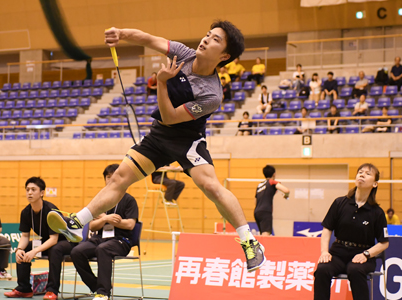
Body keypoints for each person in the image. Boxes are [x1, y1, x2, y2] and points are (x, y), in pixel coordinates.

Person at [47, 21, 266, 273]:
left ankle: (250, 242)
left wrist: (162, 82)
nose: (206, 39)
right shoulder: (184, 54)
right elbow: (148, 38)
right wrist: (122, 33)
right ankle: (78, 222)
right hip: (159, 136)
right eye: (207, 34)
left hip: (187, 140)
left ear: (225, 56)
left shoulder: (212, 94)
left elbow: (172, 116)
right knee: (119, 177)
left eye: (215, 39)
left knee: (211, 187)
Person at [313, 163, 389, 300]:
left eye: (368, 174)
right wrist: (324, 251)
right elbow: (327, 229)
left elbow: (384, 243)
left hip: (362, 255)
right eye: (360, 172)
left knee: (355, 270)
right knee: (322, 269)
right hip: (338, 253)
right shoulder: (340, 203)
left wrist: (366, 254)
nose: (362, 174)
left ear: (375, 184)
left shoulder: (377, 212)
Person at [70, 164, 138, 300]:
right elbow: (93, 227)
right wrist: (107, 218)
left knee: (103, 249)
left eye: (114, 176)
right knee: (76, 252)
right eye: (108, 177)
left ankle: (103, 292)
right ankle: (96, 286)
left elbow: (130, 224)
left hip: (120, 240)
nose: (110, 179)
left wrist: (111, 221)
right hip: (99, 238)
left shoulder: (129, 200)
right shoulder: (100, 200)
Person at [4, 177, 65, 299]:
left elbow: (54, 239)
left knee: (54, 250)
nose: (29, 192)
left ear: (42, 193)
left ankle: (52, 290)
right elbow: (25, 236)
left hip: (64, 241)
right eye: (27, 190)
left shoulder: (51, 210)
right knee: (23, 251)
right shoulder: (26, 212)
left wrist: (35, 251)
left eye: (33, 189)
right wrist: (19, 249)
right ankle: (24, 288)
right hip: (47, 241)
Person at [254, 165, 290, 236]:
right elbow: (286, 190)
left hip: (257, 212)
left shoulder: (260, 185)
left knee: (262, 234)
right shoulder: (271, 182)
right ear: (274, 174)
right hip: (265, 212)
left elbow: (255, 201)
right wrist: (286, 196)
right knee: (266, 234)